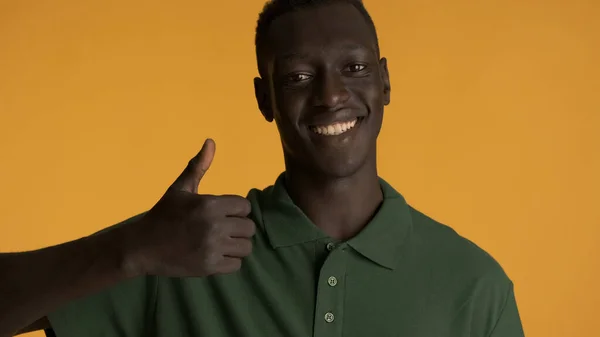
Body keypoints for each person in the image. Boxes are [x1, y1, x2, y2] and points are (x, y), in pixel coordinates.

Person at [0, 0, 525, 336]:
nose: (331, 95)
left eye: (356, 68)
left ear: (385, 82)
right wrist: (131, 250)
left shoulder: (474, 286)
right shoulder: (179, 248)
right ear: (264, 97)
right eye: (298, 76)